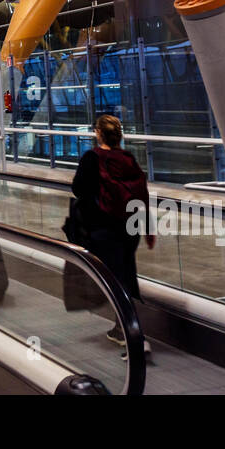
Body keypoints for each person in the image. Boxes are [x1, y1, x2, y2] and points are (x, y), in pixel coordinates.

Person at [70, 114, 154, 353]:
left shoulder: (92, 158)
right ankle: (123, 330)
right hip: (130, 228)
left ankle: (134, 337)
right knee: (125, 274)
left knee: (116, 281)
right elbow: (142, 193)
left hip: (104, 227)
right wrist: (147, 227)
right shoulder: (128, 158)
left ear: (98, 133)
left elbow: (78, 189)